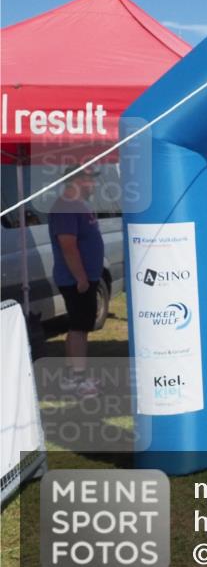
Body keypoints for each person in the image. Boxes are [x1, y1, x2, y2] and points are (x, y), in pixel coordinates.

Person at [49, 165, 104, 397]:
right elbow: (68, 246)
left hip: (84, 278)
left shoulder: (79, 206)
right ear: (78, 180)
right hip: (76, 280)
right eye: (91, 179)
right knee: (80, 328)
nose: (94, 184)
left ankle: (74, 377)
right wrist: (81, 277)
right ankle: (79, 380)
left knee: (77, 327)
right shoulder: (65, 207)